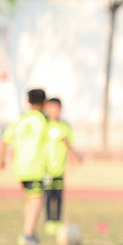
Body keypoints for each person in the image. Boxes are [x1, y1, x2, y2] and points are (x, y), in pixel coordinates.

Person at [0, 88, 49, 245]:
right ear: (45, 102)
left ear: (27, 102)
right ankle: (27, 234)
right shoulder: (43, 120)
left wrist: (1, 159)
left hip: (20, 167)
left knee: (30, 198)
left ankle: (30, 232)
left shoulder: (21, 119)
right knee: (37, 199)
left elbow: (6, 139)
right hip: (36, 166)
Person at [42, 97, 82, 236]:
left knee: (58, 196)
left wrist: (73, 158)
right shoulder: (45, 125)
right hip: (46, 168)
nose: (54, 111)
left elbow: (69, 143)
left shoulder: (65, 126)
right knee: (48, 195)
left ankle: (57, 221)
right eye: (51, 108)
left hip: (59, 168)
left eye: (57, 108)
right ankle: (49, 221)